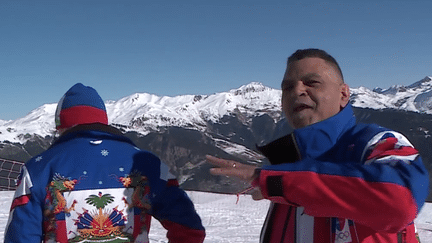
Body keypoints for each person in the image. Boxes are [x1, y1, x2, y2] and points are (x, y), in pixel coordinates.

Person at [207, 48, 429, 243]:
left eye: (311, 83)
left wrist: (275, 181)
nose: (297, 91)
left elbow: (401, 199)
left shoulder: (375, 142)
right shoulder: (288, 167)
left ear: (343, 94)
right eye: (287, 87)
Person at [5, 83, 205, 243]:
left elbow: (20, 236)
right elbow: (190, 229)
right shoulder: (151, 165)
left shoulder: (37, 169)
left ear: (61, 125)